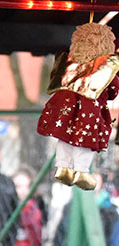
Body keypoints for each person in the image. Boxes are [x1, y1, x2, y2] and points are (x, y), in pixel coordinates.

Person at [37, 21, 119, 191]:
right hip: (90, 112)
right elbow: (112, 90)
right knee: (85, 140)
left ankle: (63, 166)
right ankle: (81, 171)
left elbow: (56, 79)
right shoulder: (107, 65)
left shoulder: (68, 60)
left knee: (65, 136)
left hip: (65, 108)